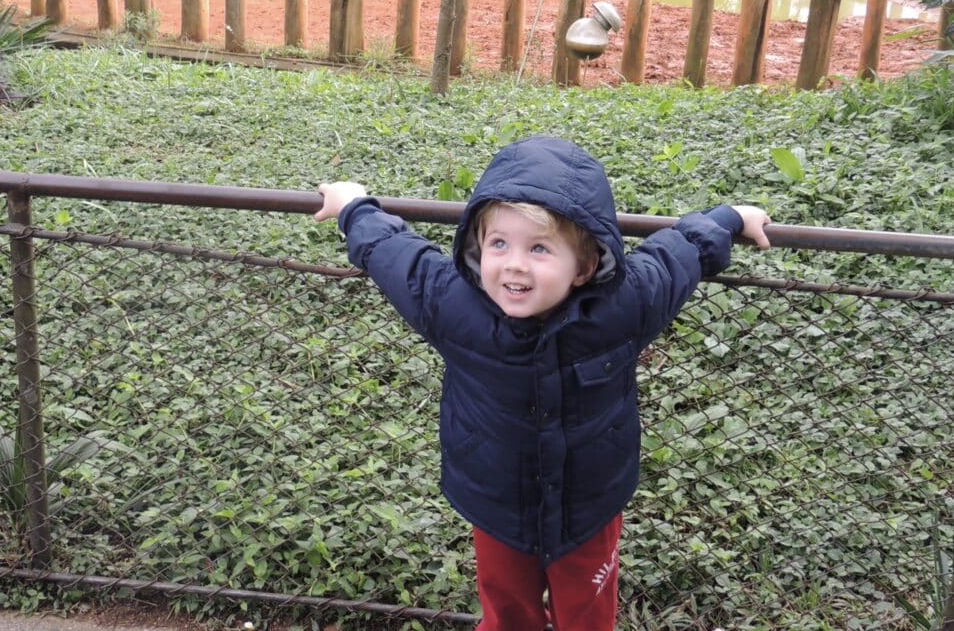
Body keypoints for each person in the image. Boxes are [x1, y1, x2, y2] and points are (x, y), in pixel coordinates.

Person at [314, 135, 771, 631]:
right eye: (499, 243)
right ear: (476, 246)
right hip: (496, 501)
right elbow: (392, 254)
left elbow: (678, 256)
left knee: (588, 618)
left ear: (587, 265)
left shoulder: (625, 305)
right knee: (508, 613)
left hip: (588, 505)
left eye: (539, 248)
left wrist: (730, 217)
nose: (514, 263)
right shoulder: (453, 304)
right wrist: (354, 207)